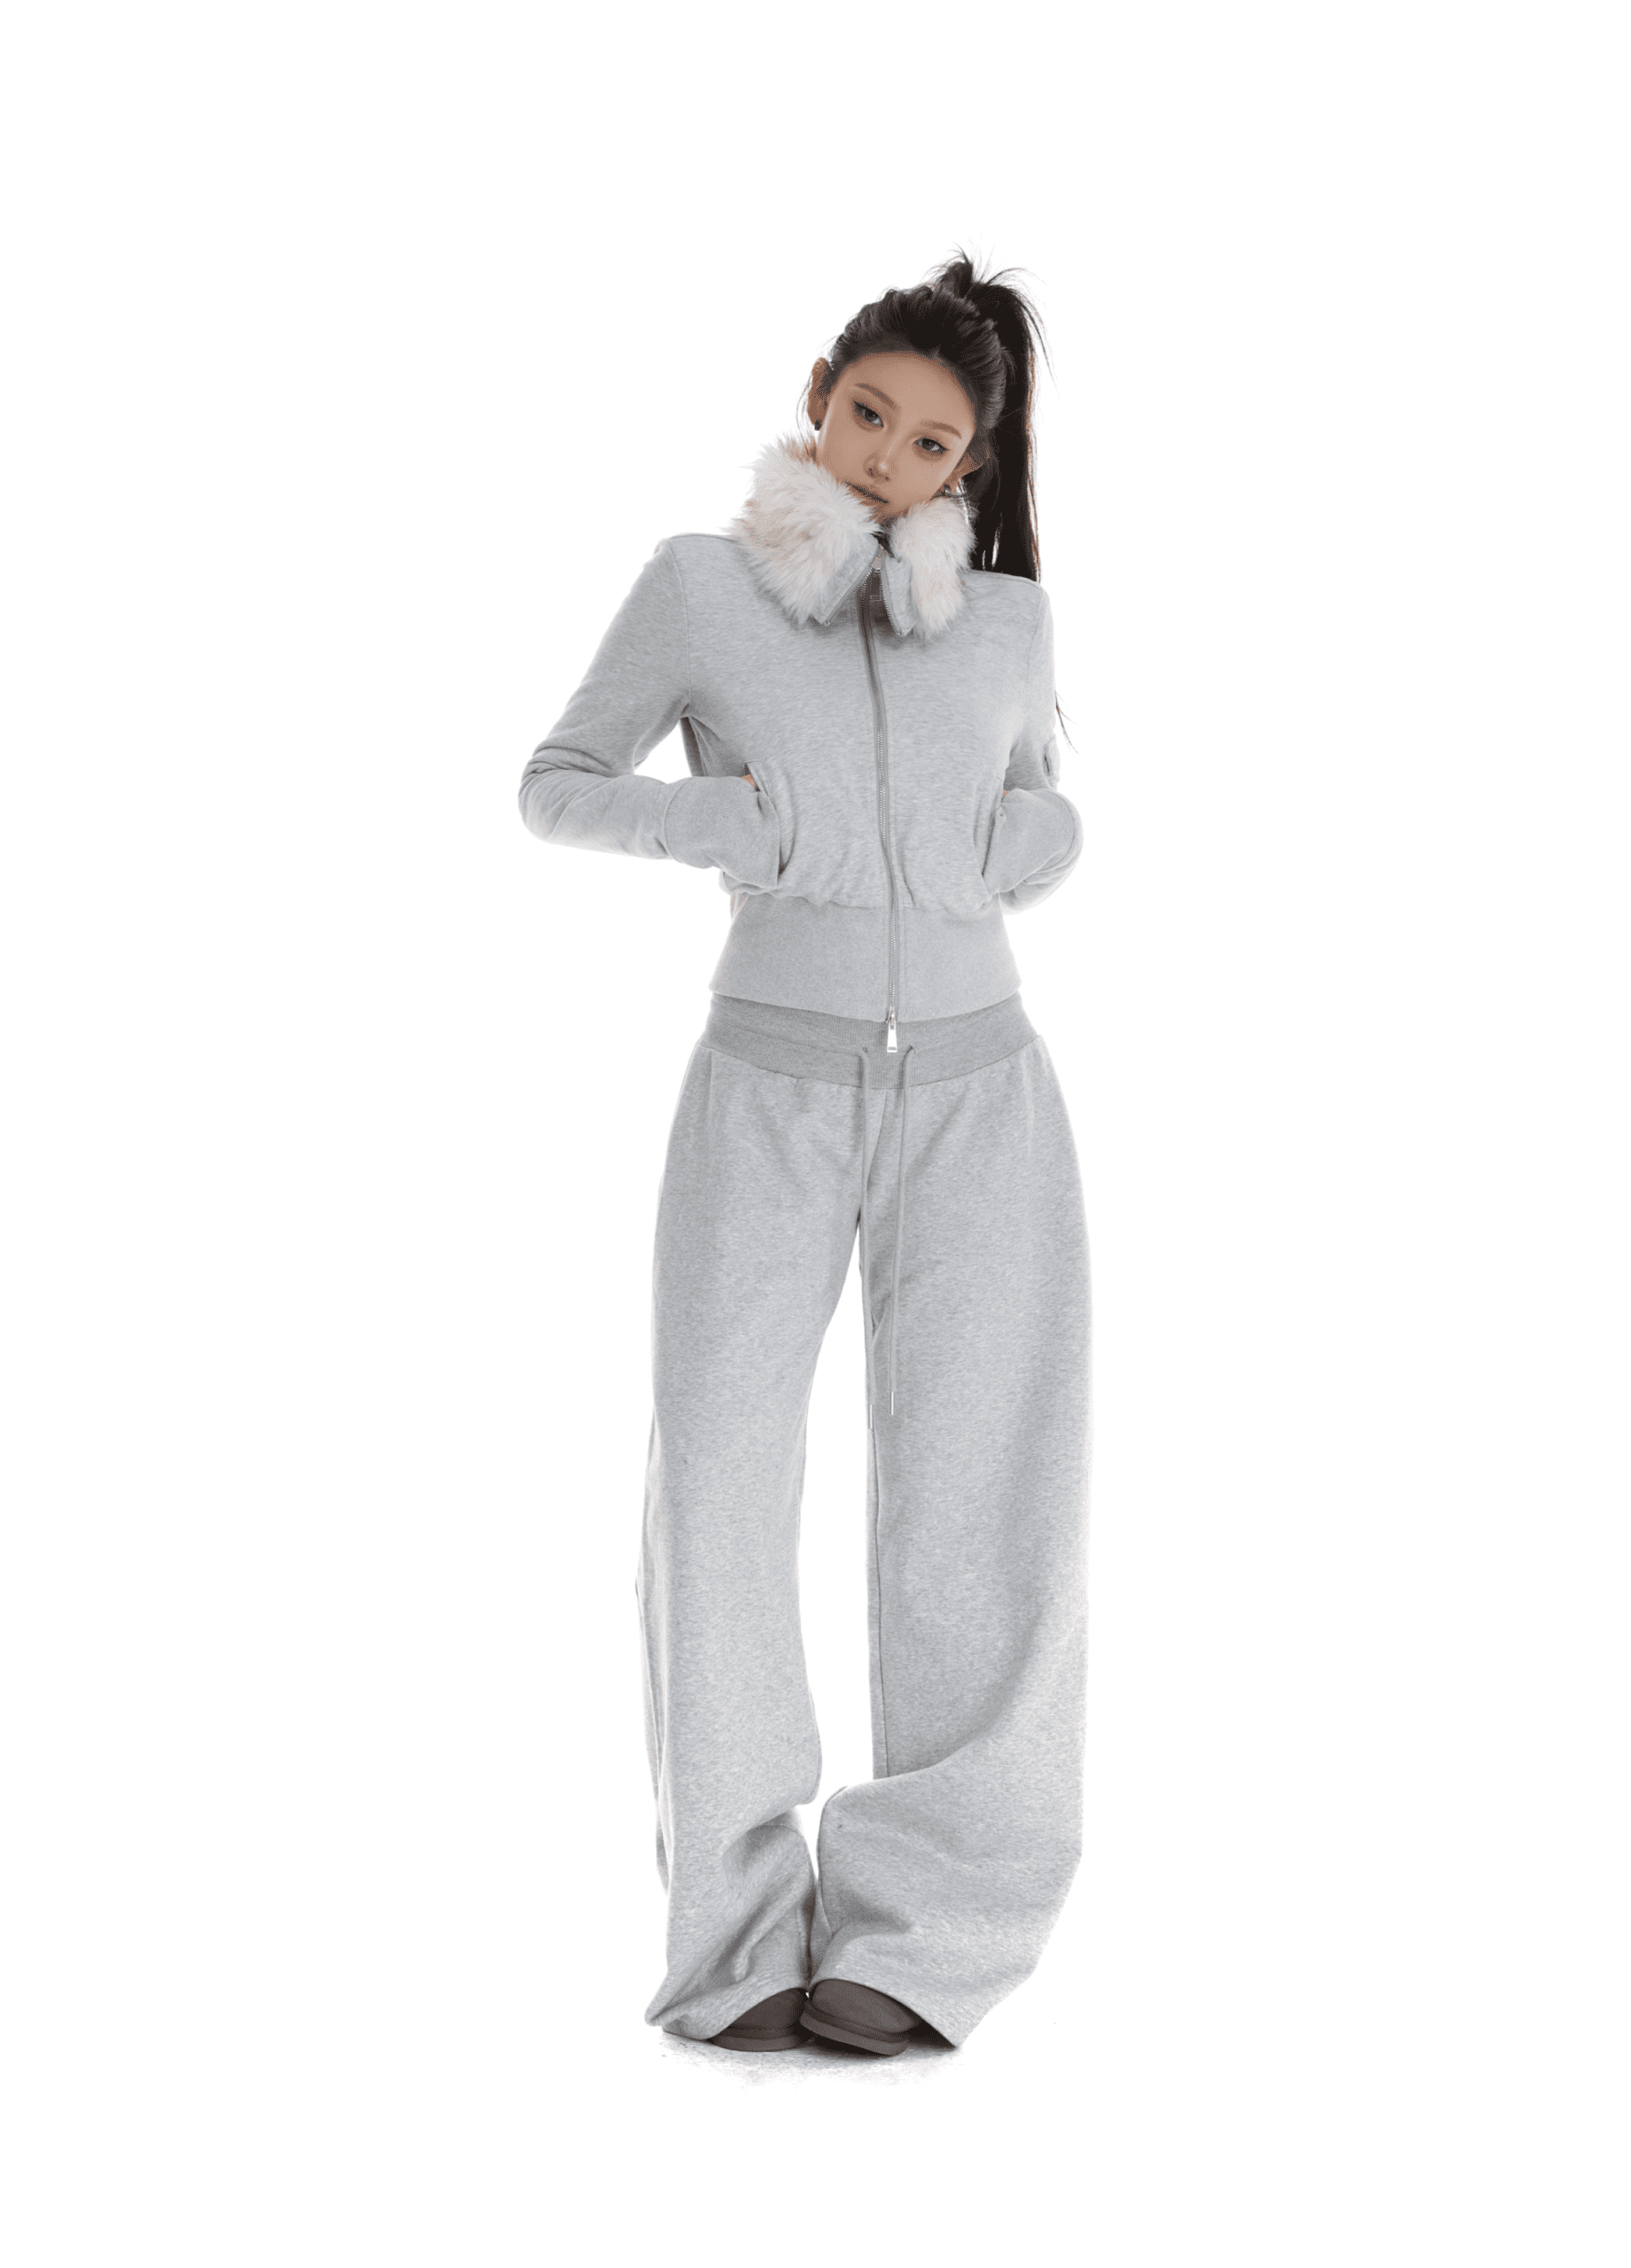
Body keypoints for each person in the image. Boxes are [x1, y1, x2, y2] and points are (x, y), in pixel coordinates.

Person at [518, 253, 1091, 2058]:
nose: (888, 460)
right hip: (765, 1089)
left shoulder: (1005, 622)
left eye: (932, 444)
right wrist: (724, 821)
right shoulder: (701, 587)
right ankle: (739, 1931)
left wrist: (1040, 840)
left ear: (968, 469)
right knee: (718, 1491)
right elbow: (554, 780)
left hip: (984, 1096)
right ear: (820, 397)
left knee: (986, 1510)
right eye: (868, 415)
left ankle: (933, 1933)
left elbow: (1042, 802)